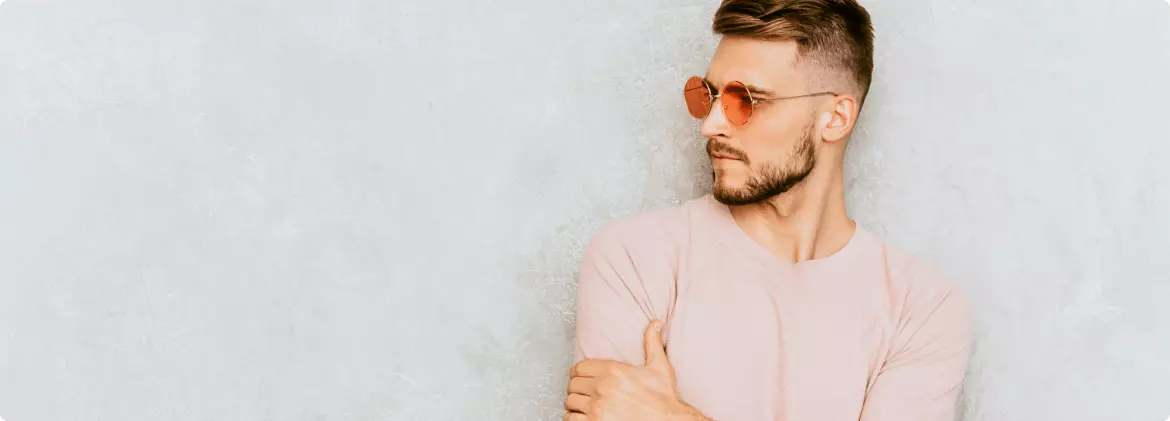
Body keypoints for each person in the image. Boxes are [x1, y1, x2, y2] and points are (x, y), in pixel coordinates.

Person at [563, 0, 973, 420]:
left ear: (836, 117)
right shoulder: (634, 259)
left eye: (748, 101)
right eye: (709, 96)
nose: (710, 125)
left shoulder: (922, 308)